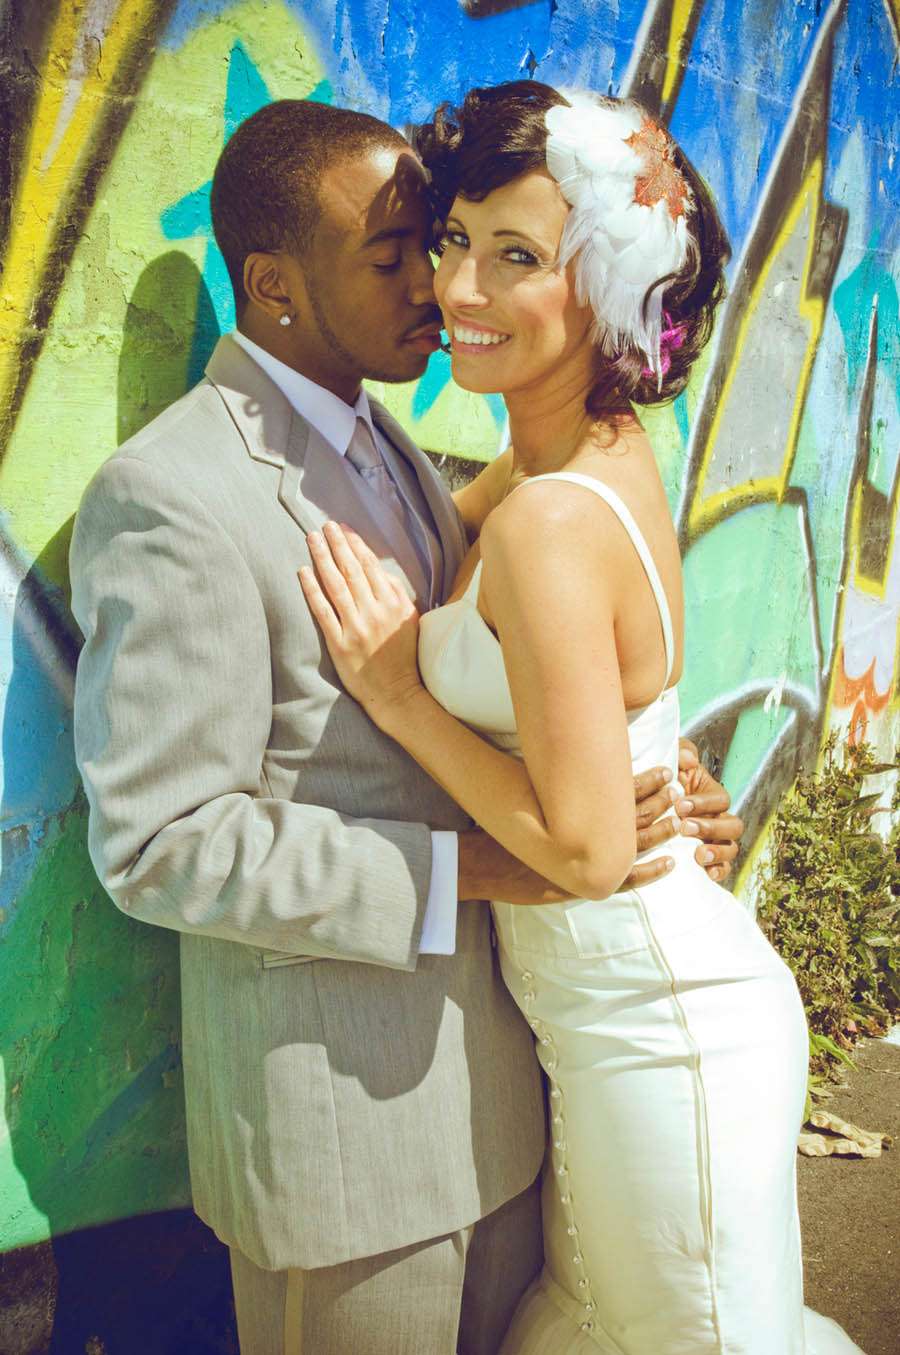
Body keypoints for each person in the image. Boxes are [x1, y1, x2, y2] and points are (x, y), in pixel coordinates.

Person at [70, 98, 743, 1355]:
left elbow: (526, 660)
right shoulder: (172, 498)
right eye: (397, 256)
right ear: (275, 285)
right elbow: (160, 843)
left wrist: (644, 767)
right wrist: (472, 869)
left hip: (513, 1104)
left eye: (436, 244)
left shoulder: (402, 449)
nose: (436, 286)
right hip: (345, 1153)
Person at [300, 82, 864, 1353]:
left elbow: (590, 848)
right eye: (455, 240)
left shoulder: (552, 515)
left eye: (518, 257)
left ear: (610, 285)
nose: (459, 288)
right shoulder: (567, 457)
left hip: (661, 1033)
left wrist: (398, 692)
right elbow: (508, 620)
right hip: (618, 1017)